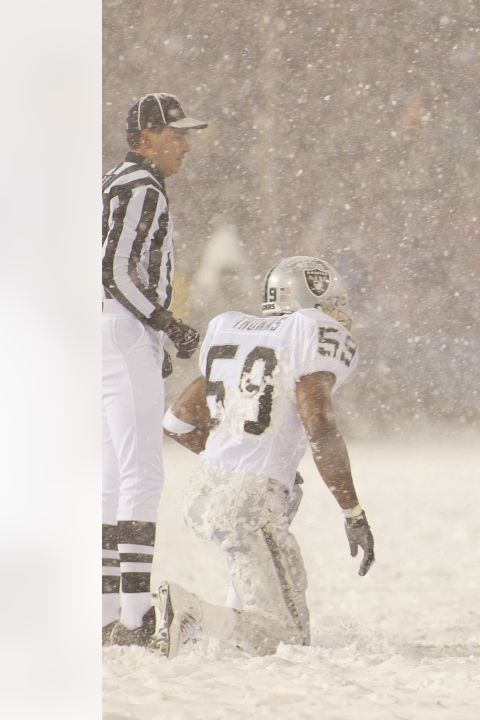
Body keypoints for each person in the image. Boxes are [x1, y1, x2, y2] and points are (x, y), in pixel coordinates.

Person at [153, 256, 375, 657]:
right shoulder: (311, 331)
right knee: (287, 640)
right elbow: (320, 426)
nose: (341, 312)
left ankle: (222, 626)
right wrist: (352, 511)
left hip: (204, 490)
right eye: (335, 302)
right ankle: (195, 614)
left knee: (257, 580)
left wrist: (233, 459)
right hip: (249, 500)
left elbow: (177, 420)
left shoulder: (232, 328)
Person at [101, 93, 207, 645]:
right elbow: (115, 271)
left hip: (105, 331)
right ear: (146, 136)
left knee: (112, 477)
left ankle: (107, 612)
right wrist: (166, 323)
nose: (186, 145)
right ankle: (135, 618)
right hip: (122, 328)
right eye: (176, 134)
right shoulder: (142, 187)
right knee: (142, 473)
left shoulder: (115, 181)